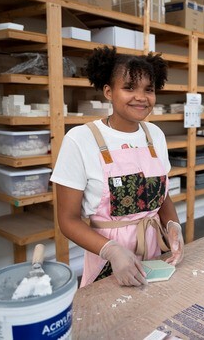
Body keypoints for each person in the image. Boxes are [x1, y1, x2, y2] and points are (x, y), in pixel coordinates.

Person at [51, 46, 184, 287]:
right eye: (129, 88)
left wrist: (173, 225)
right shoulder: (80, 139)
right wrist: (112, 251)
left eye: (149, 90)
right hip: (108, 261)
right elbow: (67, 220)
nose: (141, 97)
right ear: (108, 91)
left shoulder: (155, 134)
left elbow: (161, 196)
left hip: (156, 254)